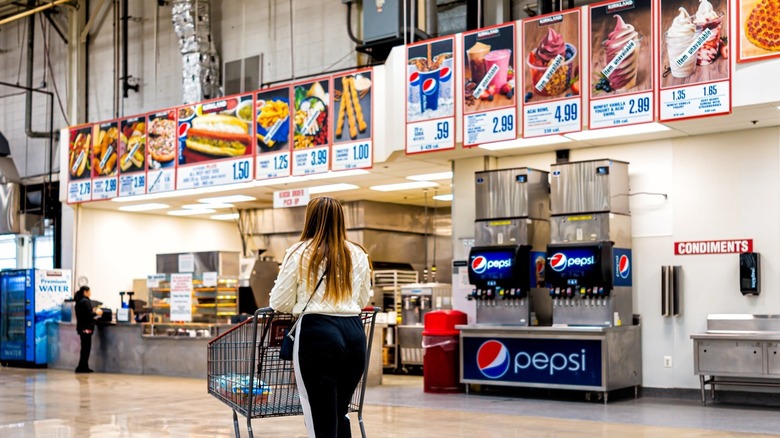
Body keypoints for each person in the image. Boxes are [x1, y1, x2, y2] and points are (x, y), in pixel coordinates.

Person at [270, 196, 372, 438]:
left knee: (320, 417)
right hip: (354, 334)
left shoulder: (299, 251)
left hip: (317, 333)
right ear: (341, 219)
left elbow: (279, 301)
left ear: (310, 218)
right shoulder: (358, 253)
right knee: (340, 412)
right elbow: (362, 300)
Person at [74, 285, 102, 373]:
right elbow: (89, 314)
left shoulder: (79, 302)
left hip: (81, 327)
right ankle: (82, 367)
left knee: (84, 348)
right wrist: (97, 312)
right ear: (85, 292)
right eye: (89, 291)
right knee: (86, 348)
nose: (90, 293)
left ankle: (83, 366)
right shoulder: (85, 301)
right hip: (87, 328)